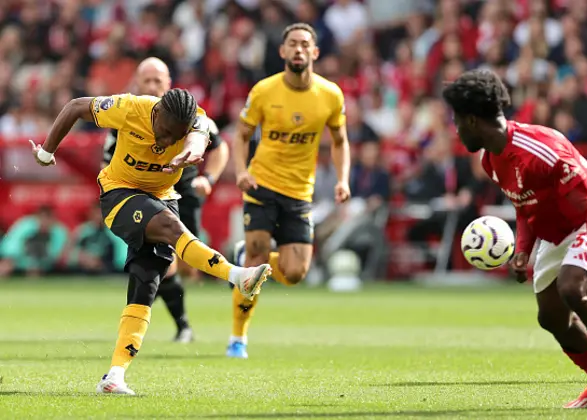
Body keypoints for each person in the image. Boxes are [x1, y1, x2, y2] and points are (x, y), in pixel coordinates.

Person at [29, 88, 271, 395]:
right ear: (157, 114)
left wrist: (192, 152)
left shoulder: (196, 123)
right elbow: (76, 106)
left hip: (162, 197)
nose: (169, 142)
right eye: (166, 133)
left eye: (176, 136)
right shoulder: (130, 108)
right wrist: (47, 151)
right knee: (171, 226)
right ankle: (237, 275)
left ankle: (114, 375)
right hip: (120, 193)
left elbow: (199, 138)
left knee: (145, 286)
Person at [442, 69, 587, 414]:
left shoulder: (541, 150)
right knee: (550, 316)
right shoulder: (491, 159)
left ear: (473, 120)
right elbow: (524, 204)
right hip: (559, 228)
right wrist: (522, 250)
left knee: (573, 286)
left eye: (458, 121)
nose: (456, 130)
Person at [228, 22, 351, 358]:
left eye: (304, 44)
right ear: (282, 52)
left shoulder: (330, 95)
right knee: (255, 258)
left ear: (315, 52)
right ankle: (238, 337)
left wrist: (342, 179)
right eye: (292, 44)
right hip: (261, 183)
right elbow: (240, 135)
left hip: (299, 192)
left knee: (295, 274)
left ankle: (248, 261)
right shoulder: (264, 91)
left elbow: (340, 142)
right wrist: (240, 170)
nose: (298, 49)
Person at [102, 57, 230, 343]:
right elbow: (108, 157)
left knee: (186, 265)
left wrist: (208, 179)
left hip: (184, 192)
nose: (151, 86)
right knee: (163, 259)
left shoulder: (191, 114)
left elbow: (220, 149)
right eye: (145, 80)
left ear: (168, 83)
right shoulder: (126, 113)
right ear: (136, 83)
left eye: (156, 81)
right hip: (143, 194)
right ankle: (182, 326)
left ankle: (171, 321)